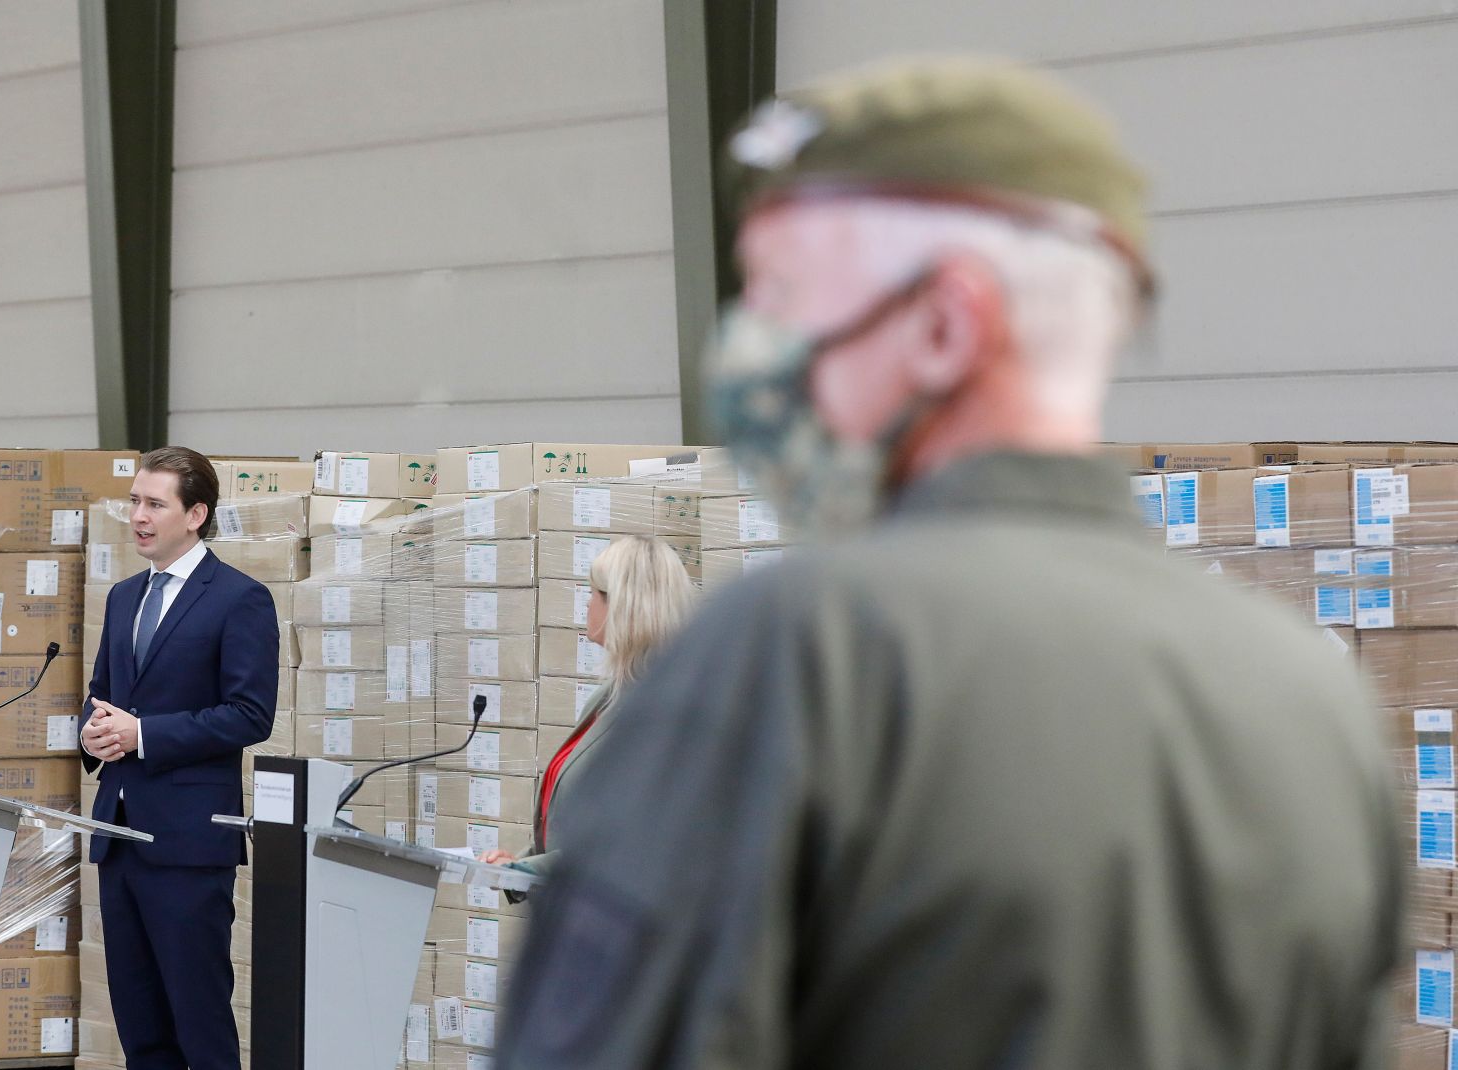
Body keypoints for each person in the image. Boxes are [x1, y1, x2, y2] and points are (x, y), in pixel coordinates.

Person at [496, 57, 1400, 1069]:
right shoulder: (1307, 701)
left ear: (943, 323)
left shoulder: (791, 660)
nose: (752, 354)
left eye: (785, 298)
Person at [79, 445, 279, 1070]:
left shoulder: (238, 600)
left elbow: (250, 714)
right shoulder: (122, 597)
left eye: (153, 504)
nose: (138, 515)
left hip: (189, 843)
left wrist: (145, 736)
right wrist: (93, 733)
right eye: (134, 501)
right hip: (120, 835)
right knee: (140, 1025)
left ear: (195, 514)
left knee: (198, 1018)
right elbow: (103, 697)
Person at [479, 534, 695, 886]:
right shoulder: (613, 695)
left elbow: (632, 843)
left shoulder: (661, 710)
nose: (588, 603)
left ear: (624, 607)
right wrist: (520, 863)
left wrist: (529, 871)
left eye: (594, 593)